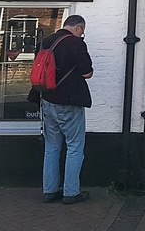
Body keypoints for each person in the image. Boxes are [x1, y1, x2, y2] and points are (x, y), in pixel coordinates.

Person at [28, 15, 94, 204]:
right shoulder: (76, 43)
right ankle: (71, 193)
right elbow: (86, 73)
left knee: (52, 147)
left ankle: (49, 190)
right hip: (69, 102)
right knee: (74, 147)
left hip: (47, 100)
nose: (82, 34)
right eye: (82, 31)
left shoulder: (45, 42)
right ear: (79, 28)